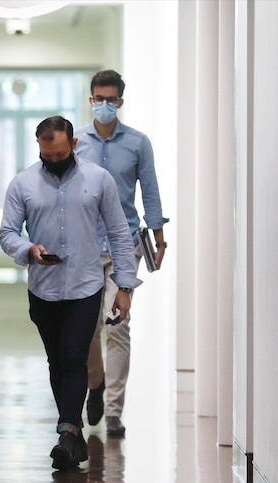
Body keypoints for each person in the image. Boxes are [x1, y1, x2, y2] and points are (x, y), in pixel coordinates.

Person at [0, 115, 138, 470]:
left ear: (74, 145)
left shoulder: (98, 180)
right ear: (39, 148)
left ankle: (67, 430)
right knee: (56, 360)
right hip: (42, 289)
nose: (54, 161)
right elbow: (7, 233)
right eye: (48, 155)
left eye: (61, 154)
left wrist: (123, 287)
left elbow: (120, 235)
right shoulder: (23, 184)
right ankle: (72, 434)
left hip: (85, 285)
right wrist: (28, 250)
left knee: (75, 356)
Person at [74, 69, 169, 437]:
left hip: (124, 245)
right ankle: (94, 384)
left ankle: (113, 410)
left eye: (111, 99)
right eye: (99, 99)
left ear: (121, 102)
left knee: (118, 328)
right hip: (83, 248)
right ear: (90, 100)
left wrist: (159, 239)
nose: (104, 105)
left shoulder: (138, 143)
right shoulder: (77, 140)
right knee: (86, 330)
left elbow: (151, 192)